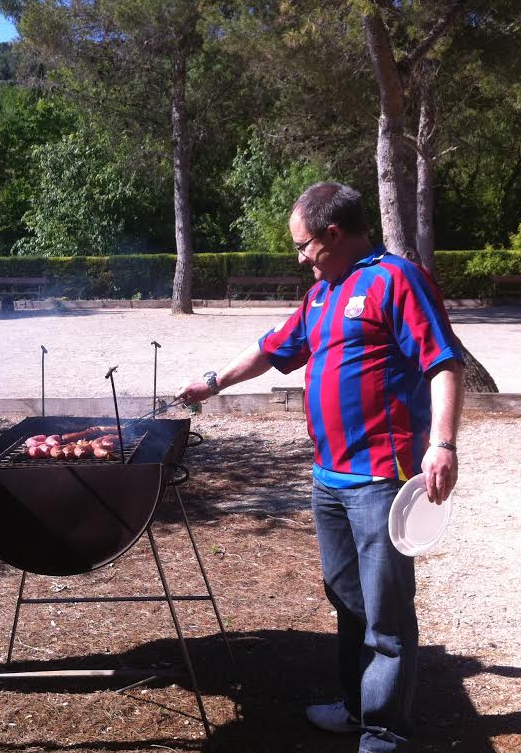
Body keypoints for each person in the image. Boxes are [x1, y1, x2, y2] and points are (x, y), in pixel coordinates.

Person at [176, 182, 464, 753]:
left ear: (334, 235)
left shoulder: (396, 280)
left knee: (385, 614)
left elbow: (444, 362)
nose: (300, 257)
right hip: (328, 476)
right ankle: (357, 707)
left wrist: (443, 444)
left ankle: (384, 734)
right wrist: (212, 383)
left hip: (381, 478)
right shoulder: (324, 293)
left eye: (304, 245)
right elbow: (271, 347)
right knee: (347, 600)